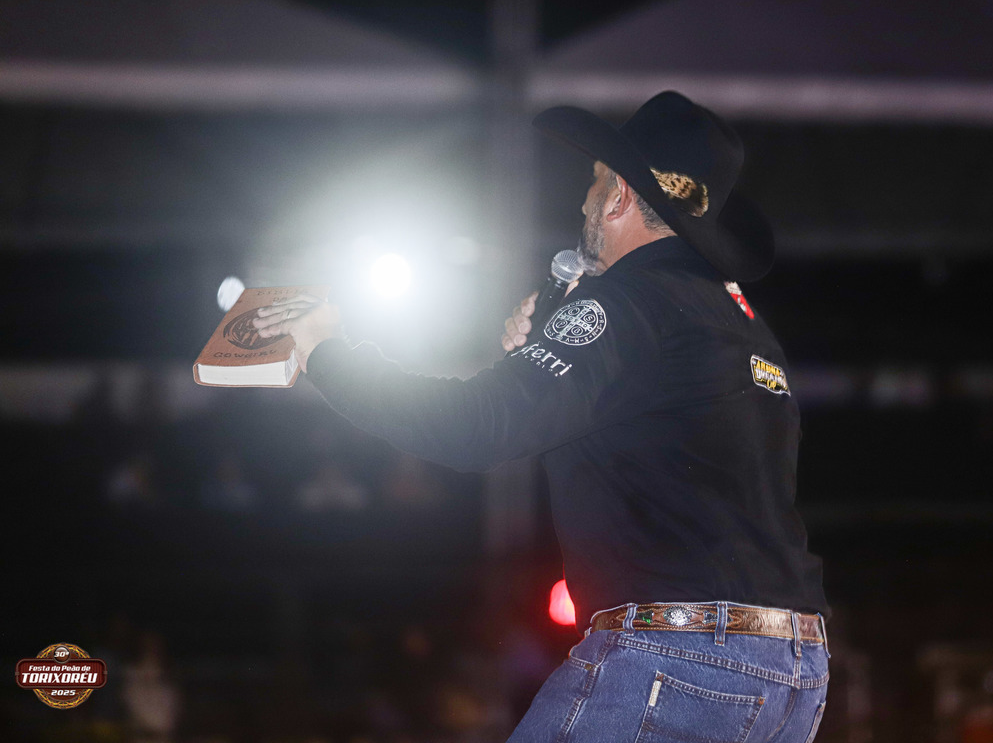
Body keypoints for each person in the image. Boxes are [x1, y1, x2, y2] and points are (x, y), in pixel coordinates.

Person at [253, 91, 830, 742]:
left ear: (617, 197)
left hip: (680, 658)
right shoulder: (737, 320)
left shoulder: (626, 303)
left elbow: (475, 427)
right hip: (791, 667)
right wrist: (546, 356)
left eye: (593, 182)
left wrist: (326, 353)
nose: (583, 203)